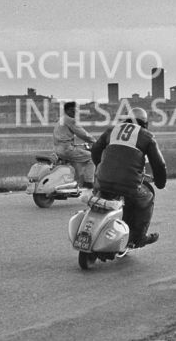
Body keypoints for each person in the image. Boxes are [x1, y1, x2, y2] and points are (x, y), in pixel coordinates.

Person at [90, 106, 167, 248]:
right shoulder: (146, 136)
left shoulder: (112, 130)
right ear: (145, 123)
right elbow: (159, 164)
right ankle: (139, 237)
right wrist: (160, 183)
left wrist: (101, 167)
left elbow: (95, 150)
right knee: (147, 197)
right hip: (128, 185)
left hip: (102, 181)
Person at [52, 101, 95, 188]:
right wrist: (96, 142)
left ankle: (76, 184)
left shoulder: (61, 120)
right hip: (66, 149)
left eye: (76, 111)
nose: (75, 113)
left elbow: (64, 138)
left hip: (58, 149)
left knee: (75, 164)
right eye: (73, 111)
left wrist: (78, 145)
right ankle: (89, 182)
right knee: (91, 157)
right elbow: (83, 134)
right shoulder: (70, 120)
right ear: (67, 111)